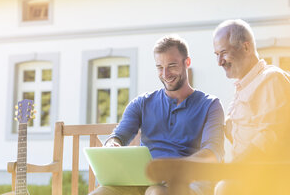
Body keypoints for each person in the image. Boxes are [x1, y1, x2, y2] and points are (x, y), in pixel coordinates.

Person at [90, 35, 224, 195]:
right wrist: (112, 144)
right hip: (144, 180)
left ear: (186, 63)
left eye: (172, 66)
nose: (165, 74)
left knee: (155, 193)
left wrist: (173, 168)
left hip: (189, 182)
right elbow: (119, 135)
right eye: (160, 67)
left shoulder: (210, 105)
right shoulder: (142, 103)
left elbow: (213, 152)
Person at [213, 19, 290, 194]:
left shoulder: (271, 79)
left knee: (224, 188)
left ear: (246, 48)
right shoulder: (244, 85)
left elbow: (267, 139)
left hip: (271, 177)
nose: (219, 62)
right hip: (250, 175)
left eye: (223, 53)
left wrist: (230, 170)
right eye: (216, 54)